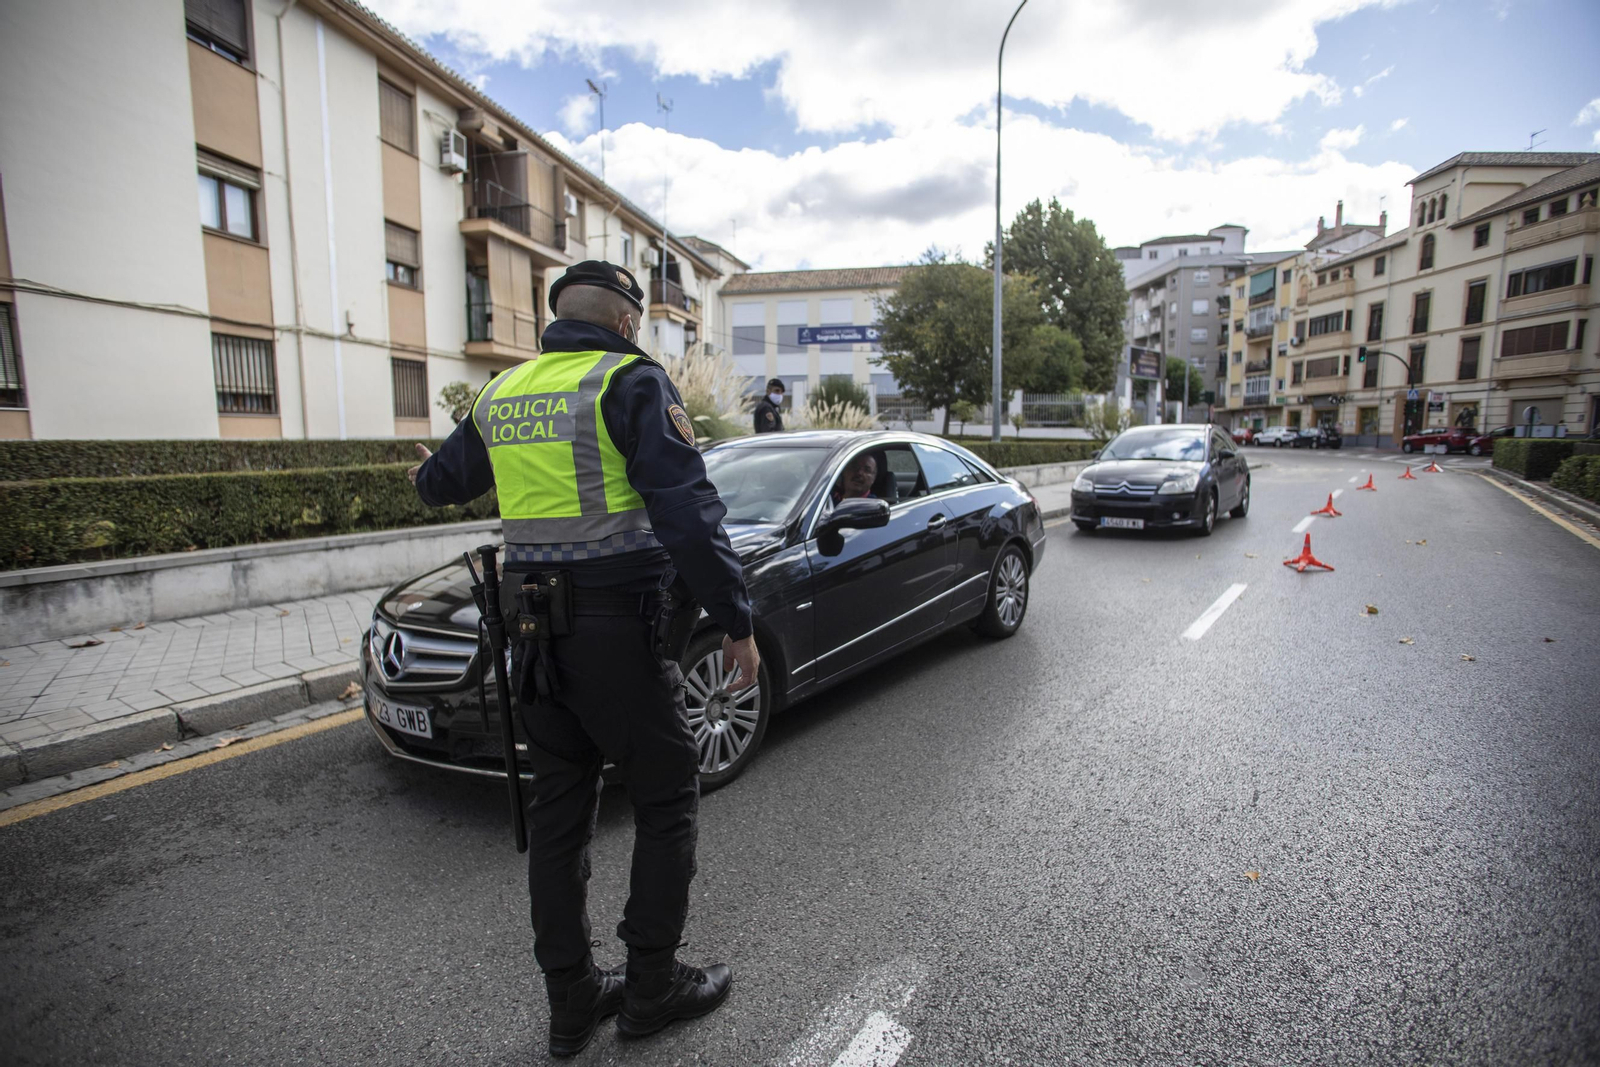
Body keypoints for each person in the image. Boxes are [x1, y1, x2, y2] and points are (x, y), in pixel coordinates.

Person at [408, 260, 759, 1057]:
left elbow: (442, 481)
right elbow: (688, 516)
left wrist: (423, 474)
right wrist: (736, 619)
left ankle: (571, 1001)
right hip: (617, 634)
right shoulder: (629, 381)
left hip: (530, 639)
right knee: (667, 798)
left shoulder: (503, 391)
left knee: (559, 816)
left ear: (555, 316)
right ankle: (650, 987)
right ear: (629, 321)